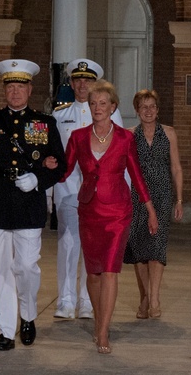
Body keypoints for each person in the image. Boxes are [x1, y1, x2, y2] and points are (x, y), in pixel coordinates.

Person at [0, 59, 65, 351]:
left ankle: (29, 314)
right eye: (10, 87)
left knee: (26, 266)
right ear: (4, 89)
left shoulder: (45, 123)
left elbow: (60, 164)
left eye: (21, 87)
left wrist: (38, 178)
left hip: (28, 203)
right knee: (0, 270)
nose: (15, 92)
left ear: (30, 89)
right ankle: (6, 330)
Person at [61, 79, 157, 354]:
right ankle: (98, 321)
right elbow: (65, 171)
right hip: (89, 211)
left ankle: (103, 331)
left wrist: (149, 209)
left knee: (110, 271)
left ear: (113, 106)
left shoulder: (126, 138)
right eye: (93, 104)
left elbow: (136, 175)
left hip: (118, 212)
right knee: (93, 273)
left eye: (103, 103)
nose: (97, 108)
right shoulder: (78, 137)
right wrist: (44, 167)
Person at [50, 58, 124, 320]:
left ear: (96, 84)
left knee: (92, 249)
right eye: (78, 80)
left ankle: (86, 301)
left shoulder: (112, 115)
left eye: (88, 80)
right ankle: (65, 300)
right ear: (71, 83)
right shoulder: (59, 116)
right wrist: (50, 193)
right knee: (68, 245)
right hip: (69, 192)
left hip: (100, 196)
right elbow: (55, 159)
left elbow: (120, 157)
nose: (82, 85)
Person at [124, 89, 184, 319]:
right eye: (143, 107)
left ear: (158, 110)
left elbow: (176, 167)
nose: (148, 111)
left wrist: (179, 199)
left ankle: (155, 299)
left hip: (162, 195)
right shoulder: (129, 135)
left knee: (157, 246)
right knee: (139, 248)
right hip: (137, 196)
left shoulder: (169, 134)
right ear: (137, 111)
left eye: (152, 107)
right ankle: (145, 298)